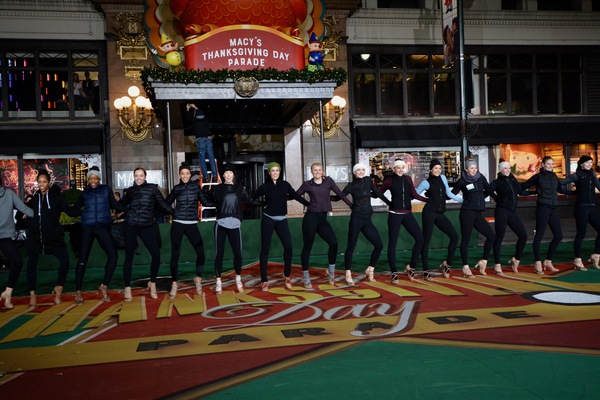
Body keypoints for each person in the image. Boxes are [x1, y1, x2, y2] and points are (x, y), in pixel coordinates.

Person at [200, 165, 261, 294]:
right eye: (226, 173)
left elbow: (250, 201)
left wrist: (265, 202)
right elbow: (205, 199)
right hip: (220, 224)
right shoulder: (217, 189)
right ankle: (218, 282)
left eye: (230, 173)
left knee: (238, 254)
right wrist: (214, 204)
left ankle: (238, 279)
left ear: (233, 175)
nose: (228, 175)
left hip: (235, 225)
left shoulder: (240, 189)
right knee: (219, 254)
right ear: (223, 175)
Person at [252, 162, 310, 291]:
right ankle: (264, 280)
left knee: (288, 246)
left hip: (282, 219)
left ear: (279, 172)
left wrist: (308, 204)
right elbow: (252, 197)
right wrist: (262, 204)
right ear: (269, 173)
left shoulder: (285, 185)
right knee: (265, 249)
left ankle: (287, 275)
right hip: (268, 219)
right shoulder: (265, 186)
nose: (275, 173)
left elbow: (295, 196)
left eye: (277, 170)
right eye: (272, 171)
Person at [71, 167, 126, 304]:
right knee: (83, 259)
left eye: (95, 178)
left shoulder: (106, 190)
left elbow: (116, 206)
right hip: (87, 228)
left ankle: (104, 286)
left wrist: (131, 208)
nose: (93, 180)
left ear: (99, 179)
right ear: (88, 180)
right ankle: (78, 291)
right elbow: (74, 209)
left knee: (113, 256)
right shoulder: (84, 193)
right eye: (91, 178)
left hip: (103, 227)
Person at [26, 169, 78, 307]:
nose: (42, 184)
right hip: (35, 237)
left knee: (65, 261)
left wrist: (84, 206)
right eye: (40, 182)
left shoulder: (57, 197)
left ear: (49, 183)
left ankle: (59, 289)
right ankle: (32, 295)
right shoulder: (35, 198)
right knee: (31, 264)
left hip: (54, 237)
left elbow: (69, 210)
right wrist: (25, 219)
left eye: (44, 182)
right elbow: (24, 212)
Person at [296, 162, 352, 289]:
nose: (317, 172)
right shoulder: (307, 184)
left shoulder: (328, 181)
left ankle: (331, 272)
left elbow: (340, 194)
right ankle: (305, 277)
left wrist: (351, 205)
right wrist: (304, 202)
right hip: (310, 218)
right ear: (311, 172)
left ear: (322, 171)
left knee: (334, 243)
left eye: (319, 170)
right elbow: (295, 195)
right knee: (307, 247)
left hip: (322, 218)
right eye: (315, 170)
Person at [120, 167, 173, 301]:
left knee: (156, 254)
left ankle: (152, 283)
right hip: (130, 225)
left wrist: (176, 213)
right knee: (129, 257)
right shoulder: (130, 191)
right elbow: (121, 205)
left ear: (145, 176)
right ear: (134, 177)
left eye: (141, 176)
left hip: (147, 226)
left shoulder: (152, 189)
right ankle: (127, 288)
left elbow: (163, 204)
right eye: (136, 176)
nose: (138, 178)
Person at [335, 163, 391, 285]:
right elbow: (338, 197)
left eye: (362, 169)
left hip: (367, 219)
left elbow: (377, 193)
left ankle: (370, 270)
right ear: (354, 172)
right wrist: (322, 196)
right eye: (358, 170)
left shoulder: (368, 181)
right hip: (356, 218)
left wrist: (389, 203)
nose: (360, 171)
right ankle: (348, 274)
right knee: (351, 246)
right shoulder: (351, 185)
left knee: (379, 245)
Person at [380, 160, 428, 282]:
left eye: (403, 167)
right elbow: (378, 194)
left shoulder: (407, 179)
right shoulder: (389, 181)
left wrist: (428, 200)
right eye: (398, 168)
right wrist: (388, 203)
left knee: (420, 239)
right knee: (393, 244)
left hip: (408, 214)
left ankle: (411, 267)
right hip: (394, 215)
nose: (401, 169)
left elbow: (415, 194)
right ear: (394, 169)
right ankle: (394, 272)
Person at [165, 162, 207, 299]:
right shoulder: (177, 188)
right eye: (182, 173)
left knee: (201, 252)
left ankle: (198, 279)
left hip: (191, 224)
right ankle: (174, 283)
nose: (185, 176)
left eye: (187, 173)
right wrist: (173, 212)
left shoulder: (196, 187)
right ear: (179, 175)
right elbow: (166, 203)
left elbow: (206, 202)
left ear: (190, 174)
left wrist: (220, 202)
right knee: (175, 255)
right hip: (177, 224)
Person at [415, 159, 463, 280]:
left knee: (454, 236)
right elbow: (415, 194)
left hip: (440, 213)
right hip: (429, 213)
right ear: (431, 169)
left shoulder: (443, 178)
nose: (438, 170)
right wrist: (425, 199)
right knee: (426, 241)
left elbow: (449, 194)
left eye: (439, 168)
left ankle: (448, 264)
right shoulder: (426, 183)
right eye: (435, 168)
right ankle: (426, 271)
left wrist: (463, 201)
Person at [521, 156, 568, 274]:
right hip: (543, 208)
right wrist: (533, 192)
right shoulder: (537, 177)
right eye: (548, 164)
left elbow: (560, 190)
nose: (551, 166)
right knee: (539, 237)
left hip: (553, 209)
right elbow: (522, 187)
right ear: (542, 165)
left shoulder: (554, 176)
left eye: (552, 164)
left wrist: (576, 192)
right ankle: (537, 263)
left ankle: (548, 261)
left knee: (558, 236)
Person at [451, 158, 497, 278]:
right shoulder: (462, 181)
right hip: (467, 212)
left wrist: (498, 200)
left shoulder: (480, 177)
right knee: (466, 240)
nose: (474, 170)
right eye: (471, 168)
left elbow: (489, 190)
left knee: (491, 236)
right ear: (466, 170)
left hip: (477, 213)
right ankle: (465, 267)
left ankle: (484, 261)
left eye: (475, 168)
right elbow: (451, 193)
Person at [489, 160, 531, 274]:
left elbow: (521, 191)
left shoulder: (513, 179)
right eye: (505, 169)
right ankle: (497, 265)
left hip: (512, 212)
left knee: (523, 235)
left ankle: (516, 259)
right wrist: (496, 198)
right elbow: (487, 190)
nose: (507, 170)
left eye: (508, 168)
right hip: (501, 211)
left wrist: (536, 192)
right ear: (500, 170)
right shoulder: (497, 182)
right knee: (499, 238)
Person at [560, 155, 600, 270]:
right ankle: (577, 260)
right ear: (581, 164)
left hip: (592, 207)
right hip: (581, 208)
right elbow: (560, 184)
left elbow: (598, 186)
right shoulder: (577, 175)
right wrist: (570, 192)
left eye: (591, 162)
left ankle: (596, 255)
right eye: (587, 162)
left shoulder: (592, 174)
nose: (589, 164)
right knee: (581, 234)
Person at [0, 187, 34, 309]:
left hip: (5, 236)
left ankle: (7, 293)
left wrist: (41, 217)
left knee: (17, 262)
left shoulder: (8, 193)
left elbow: (23, 208)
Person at [186, 103, 218, 183]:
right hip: (208, 140)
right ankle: (215, 175)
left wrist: (187, 109)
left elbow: (188, 118)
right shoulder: (206, 119)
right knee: (211, 158)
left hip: (200, 141)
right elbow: (202, 113)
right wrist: (195, 107)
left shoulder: (195, 121)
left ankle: (205, 176)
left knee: (202, 159)